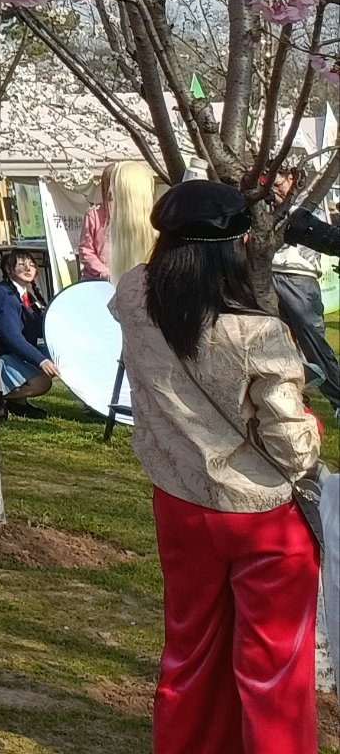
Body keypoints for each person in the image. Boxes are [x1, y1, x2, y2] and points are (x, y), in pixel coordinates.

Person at [110, 179, 321, 754]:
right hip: (261, 515)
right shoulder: (258, 333)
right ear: (241, 242)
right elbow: (291, 445)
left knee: (189, 653)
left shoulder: (134, 297)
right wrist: (312, 433)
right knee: (274, 671)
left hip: (180, 498)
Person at [260, 166, 340, 410]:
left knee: (313, 343)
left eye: (280, 177)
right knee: (271, 343)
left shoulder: (308, 203)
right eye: (270, 177)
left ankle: (337, 400)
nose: (274, 183)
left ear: (293, 178)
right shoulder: (260, 205)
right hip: (266, 275)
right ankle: (293, 401)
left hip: (300, 279)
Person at [0, 251, 57, 411]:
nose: (28, 268)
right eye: (21, 264)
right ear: (8, 268)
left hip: (10, 354)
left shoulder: (27, 296)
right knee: (42, 382)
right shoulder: (3, 295)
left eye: (32, 265)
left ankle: (17, 403)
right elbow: (11, 337)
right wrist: (41, 360)